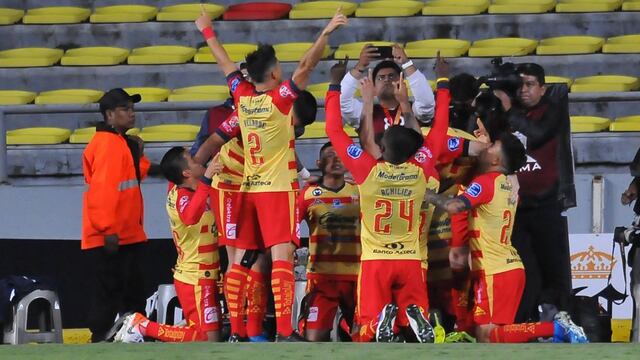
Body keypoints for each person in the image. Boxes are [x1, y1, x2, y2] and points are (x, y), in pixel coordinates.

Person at [194, 7, 347, 341]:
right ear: (276, 72)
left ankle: (235, 332)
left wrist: (207, 31)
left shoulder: (242, 96)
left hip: (247, 190)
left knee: (237, 262)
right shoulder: (281, 100)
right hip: (276, 189)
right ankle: (284, 330)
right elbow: (307, 65)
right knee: (281, 258)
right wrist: (326, 32)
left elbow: (225, 63)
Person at [325, 61, 451, 342]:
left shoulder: (368, 170)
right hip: (410, 260)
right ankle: (413, 317)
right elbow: (440, 126)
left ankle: (381, 321)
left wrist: (335, 86)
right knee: (414, 319)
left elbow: (334, 130)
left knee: (365, 328)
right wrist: (442, 82)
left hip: (376, 261)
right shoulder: (421, 169)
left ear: (381, 150)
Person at [424, 130, 588, 344]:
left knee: (488, 336)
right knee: (494, 338)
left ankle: (556, 329)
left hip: (495, 272)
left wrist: (425, 193)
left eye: (492, 147)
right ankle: (556, 328)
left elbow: (454, 206)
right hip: (508, 267)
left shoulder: (486, 183)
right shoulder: (506, 183)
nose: (486, 148)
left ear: (496, 159)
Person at [109, 147, 223, 343]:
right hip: (195, 277)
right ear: (186, 173)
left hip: (204, 274)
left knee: (212, 337)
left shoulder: (183, 187)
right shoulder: (184, 196)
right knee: (206, 339)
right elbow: (190, 217)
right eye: (192, 160)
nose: (199, 161)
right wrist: (207, 178)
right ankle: (143, 326)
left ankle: (153, 327)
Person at [495, 63, 576, 322]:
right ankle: (524, 323)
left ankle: (561, 320)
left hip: (546, 203)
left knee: (554, 268)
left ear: (543, 88)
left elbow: (538, 135)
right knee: (522, 269)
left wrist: (508, 109)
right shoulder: (504, 113)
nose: (524, 90)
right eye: (520, 85)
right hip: (514, 207)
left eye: (530, 85)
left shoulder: (553, 110)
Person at [81, 88, 149, 342]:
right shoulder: (108, 145)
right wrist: (108, 230)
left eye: (132, 109)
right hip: (113, 236)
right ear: (110, 114)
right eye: (125, 109)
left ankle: (123, 335)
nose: (131, 114)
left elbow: (131, 179)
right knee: (111, 292)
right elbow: (103, 192)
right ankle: (101, 338)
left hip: (124, 234)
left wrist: (138, 156)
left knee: (126, 291)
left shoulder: (118, 142)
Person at [297, 142, 361, 341]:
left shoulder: (360, 190)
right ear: (319, 162)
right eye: (330, 156)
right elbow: (290, 230)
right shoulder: (307, 194)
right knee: (314, 340)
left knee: (364, 338)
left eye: (340, 155)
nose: (336, 160)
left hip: (357, 278)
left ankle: (344, 326)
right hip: (322, 278)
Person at [338, 43, 435, 137]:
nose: (386, 79)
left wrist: (406, 63)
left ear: (401, 82)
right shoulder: (364, 112)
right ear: (374, 88)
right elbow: (342, 101)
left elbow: (426, 102)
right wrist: (360, 66)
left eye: (391, 76)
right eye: (380, 78)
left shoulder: (414, 110)